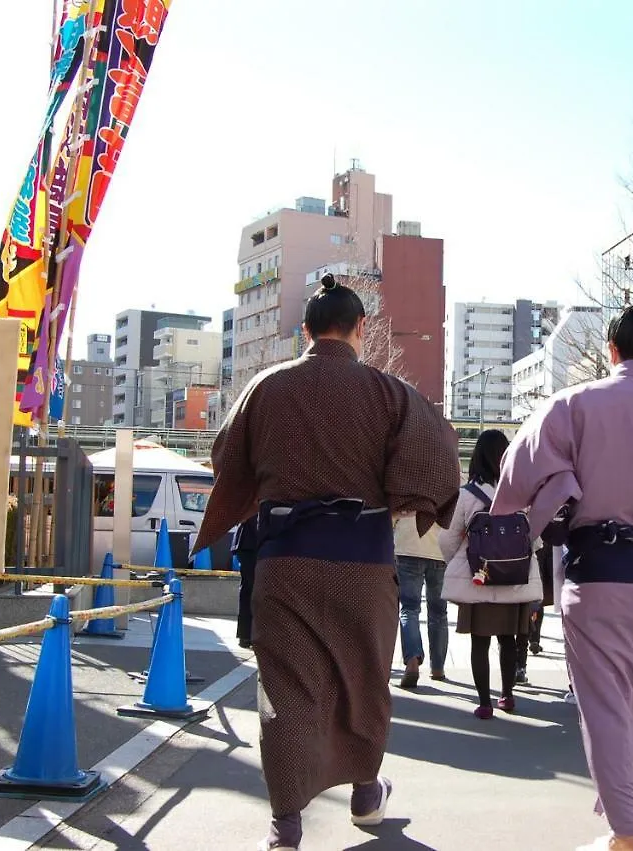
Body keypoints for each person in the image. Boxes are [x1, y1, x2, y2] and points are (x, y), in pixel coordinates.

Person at [193, 274, 460, 851]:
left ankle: (286, 825)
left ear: (305, 330)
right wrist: (402, 499)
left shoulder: (266, 387)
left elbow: (225, 455)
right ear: (361, 328)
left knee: (287, 690)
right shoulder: (390, 394)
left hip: (285, 559)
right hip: (363, 561)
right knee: (364, 680)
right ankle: (365, 793)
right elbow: (437, 454)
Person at [490, 295, 633, 851]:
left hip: (594, 572)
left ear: (612, 348)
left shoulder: (573, 404)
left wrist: (532, 505)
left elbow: (514, 474)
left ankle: (624, 830)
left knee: (604, 703)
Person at [440, 430, 544, 719]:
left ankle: (484, 703)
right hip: (514, 580)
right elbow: (534, 538)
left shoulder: (466, 495)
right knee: (508, 639)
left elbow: (448, 539)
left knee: (480, 641)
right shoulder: (519, 493)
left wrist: (459, 562)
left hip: (479, 579)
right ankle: (507, 696)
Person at [394, 516, 449, 689]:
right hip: (439, 548)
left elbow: (393, 513)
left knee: (409, 609)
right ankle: (438, 667)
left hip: (408, 544)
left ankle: (412, 660)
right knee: (439, 612)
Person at [516, 543, 557, 683]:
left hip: (511, 566)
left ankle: (514, 667)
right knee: (535, 606)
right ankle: (522, 664)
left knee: (511, 623)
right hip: (537, 564)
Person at [233, 516, 259, 650]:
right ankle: (248, 635)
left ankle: (246, 635)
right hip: (252, 543)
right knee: (252, 589)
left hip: (247, 543)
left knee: (248, 589)